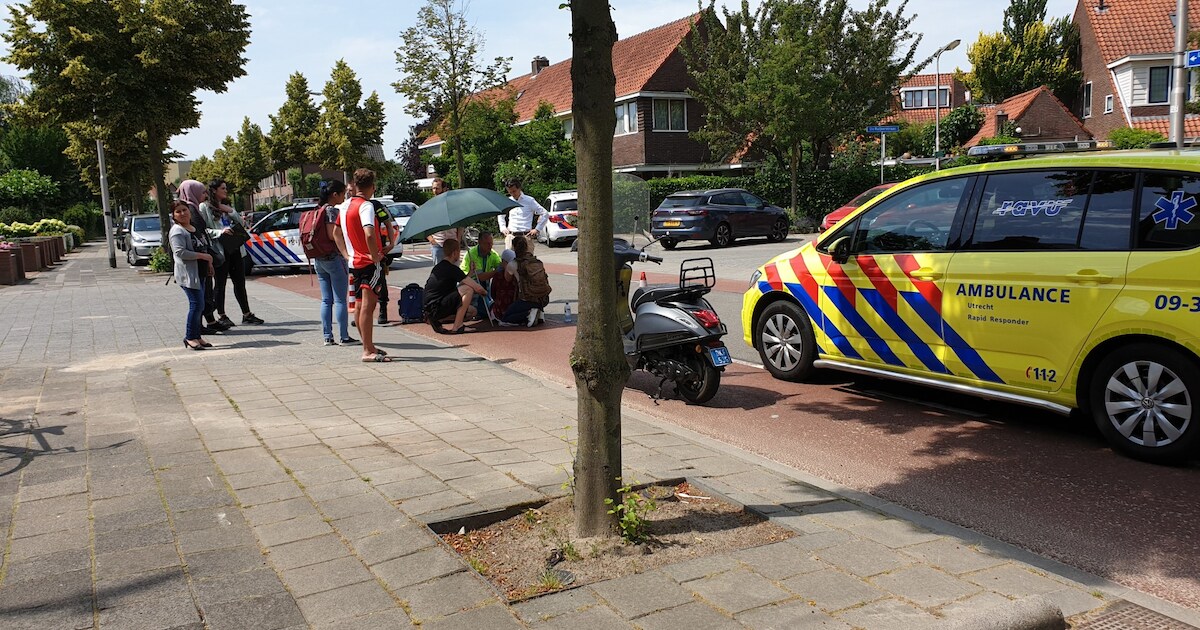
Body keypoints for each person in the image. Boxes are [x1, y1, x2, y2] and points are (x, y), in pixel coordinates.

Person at [338, 168, 391, 362]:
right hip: (368, 262)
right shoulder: (366, 206)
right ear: (373, 186)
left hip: (354, 262)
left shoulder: (344, 206)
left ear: (355, 184)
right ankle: (368, 351)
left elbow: (336, 232)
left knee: (359, 306)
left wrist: (346, 254)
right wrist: (375, 256)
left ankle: (368, 346)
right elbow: (369, 233)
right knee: (368, 307)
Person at [199, 178, 263, 327]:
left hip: (235, 247)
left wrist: (231, 211)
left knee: (239, 281)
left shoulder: (227, 206)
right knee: (220, 283)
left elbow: (242, 223)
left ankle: (247, 314)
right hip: (220, 249)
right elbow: (204, 231)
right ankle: (221, 315)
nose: (226, 191)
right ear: (214, 190)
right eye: (223, 188)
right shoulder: (204, 207)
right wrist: (220, 232)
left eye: (226, 188)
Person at [177, 180, 225, 334]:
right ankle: (195, 331)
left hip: (200, 259)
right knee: (199, 299)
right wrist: (205, 255)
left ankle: (204, 325)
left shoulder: (193, 207)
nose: (205, 195)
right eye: (202, 192)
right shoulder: (190, 209)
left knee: (202, 297)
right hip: (196, 262)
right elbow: (196, 235)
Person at [313, 180, 358, 347]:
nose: (344, 197)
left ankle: (327, 336)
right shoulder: (331, 211)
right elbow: (333, 235)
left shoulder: (317, 209)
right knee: (340, 300)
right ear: (335, 194)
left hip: (319, 259)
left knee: (326, 300)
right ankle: (344, 337)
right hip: (334, 258)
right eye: (342, 194)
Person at [168, 199, 215, 350]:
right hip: (188, 275)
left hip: (200, 272)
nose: (182, 213)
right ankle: (190, 337)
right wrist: (203, 257)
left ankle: (197, 336)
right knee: (196, 305)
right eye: (178, 211)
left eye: (184, 210)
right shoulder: (177, 231)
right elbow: (180, 252)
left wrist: (208, 262)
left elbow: (202, 247)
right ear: (174, 215)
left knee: (200, 305)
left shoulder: (193, 228)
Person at [423, 238, 485, 334]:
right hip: (437, 306)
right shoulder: (452, 269)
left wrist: (471, 272)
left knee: (472, 311)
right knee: (468, 289)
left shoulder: (439, 267)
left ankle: (438, 319)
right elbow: (476, 287)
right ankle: (458, 326)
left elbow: (461, 284)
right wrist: (485, 293)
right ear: (454, 253)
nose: (459, 254)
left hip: (430, 307)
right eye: (459, 251)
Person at [501, 235, 549, 327]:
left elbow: (507, 278)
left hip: (526, 299)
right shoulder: (536, 261)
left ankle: (528, 314)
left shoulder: (513, 263)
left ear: (514, 248)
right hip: (543, 298)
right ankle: (539, 312)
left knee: (505, 318)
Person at [498, 177, 548, 253]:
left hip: (525, 236)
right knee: (510, 259)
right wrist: (503, 228)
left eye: (514, 191)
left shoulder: (529, 200)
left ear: (519, 188)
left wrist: (537, 229)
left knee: (527, 259)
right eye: (510, 192)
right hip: (511, 236)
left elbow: (545, 213)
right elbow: (501, 214)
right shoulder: (508, 201)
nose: (512, 194)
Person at [460, 230, 502, 315]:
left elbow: (500, 267)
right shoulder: (472, 254)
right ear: (479, 242)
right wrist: (496, 271)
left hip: (483, 282)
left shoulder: (493, 254)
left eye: (491, 243)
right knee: (479, 289)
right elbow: (480, 277)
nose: (490, 246)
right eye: (487, 244)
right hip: (467, 281)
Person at [426, 177, 462, 264]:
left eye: (437, 188)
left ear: (444, 189)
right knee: (439, 271)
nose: (435, 191)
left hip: (452, 243)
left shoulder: (452, 205)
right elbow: (424, 225)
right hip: (438, 244)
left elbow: (460, 224)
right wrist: (431, 240)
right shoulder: (429, 206)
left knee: (454, 270)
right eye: (433, 188)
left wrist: (458, 241)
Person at [489, 248, 519, 325]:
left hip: (500, 310)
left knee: (490, 305)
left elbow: (493, 293)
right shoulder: (518, 275)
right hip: (515, 308)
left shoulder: (497, 275)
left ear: (503, 261)